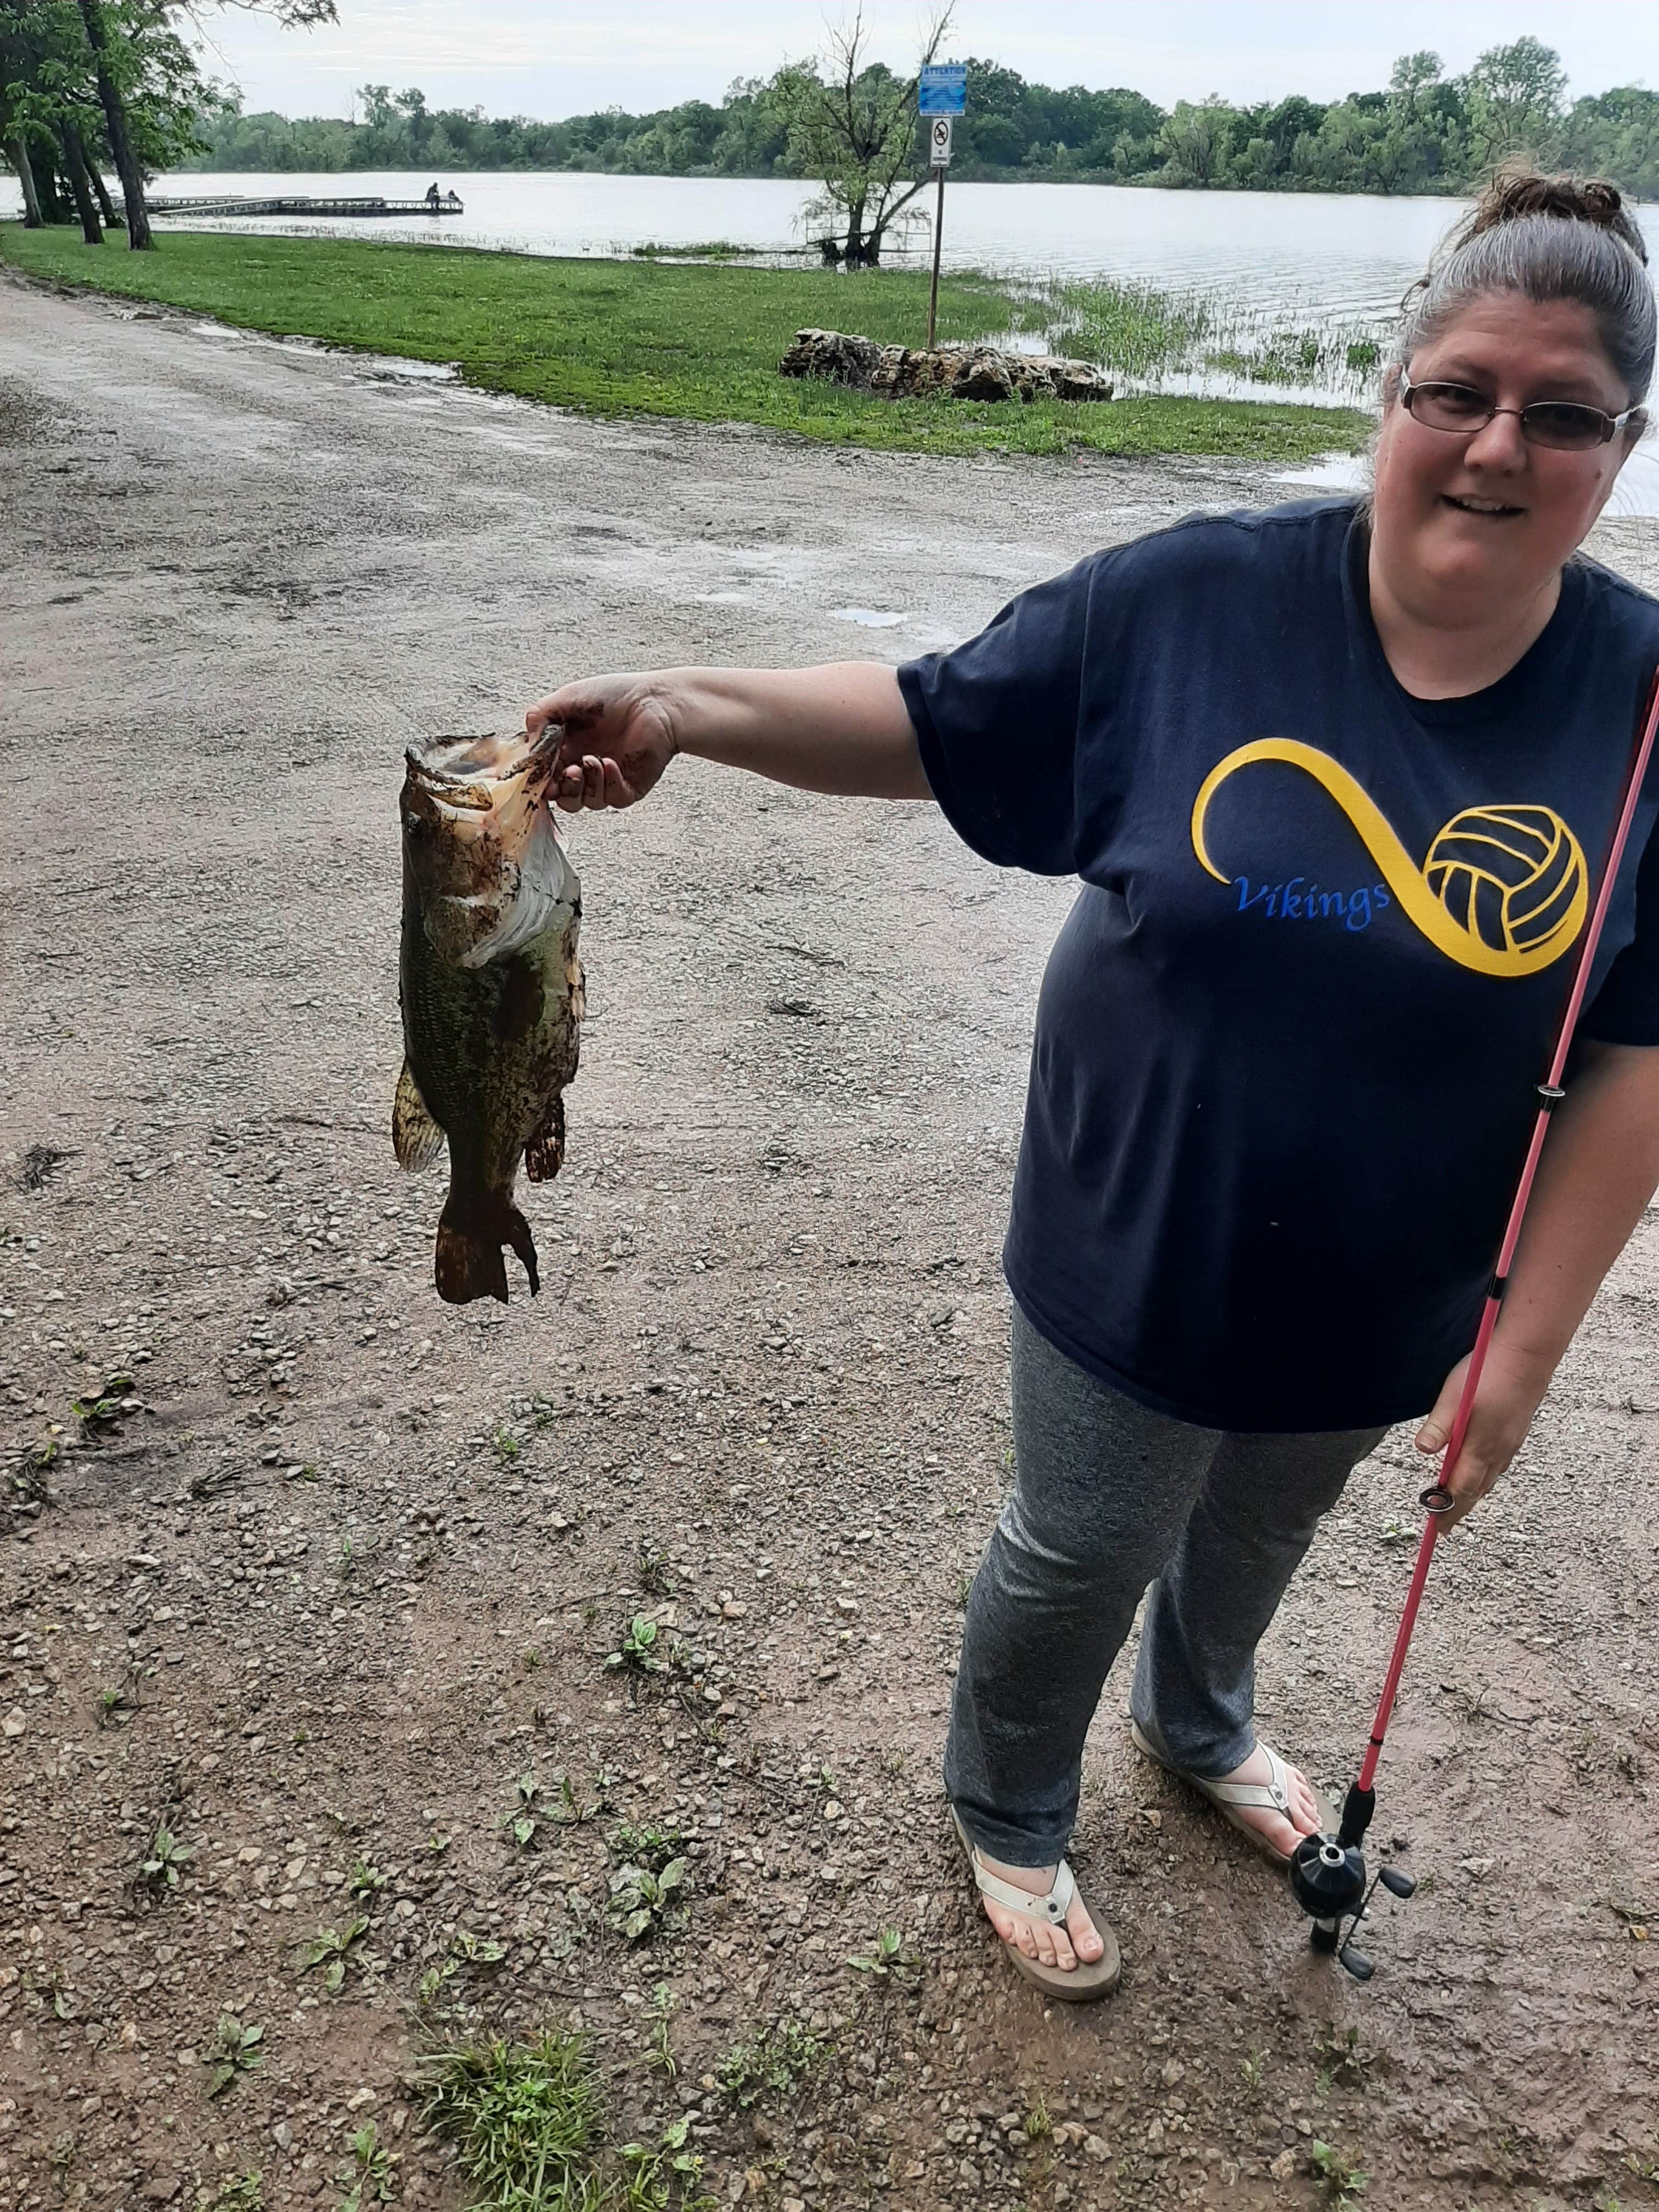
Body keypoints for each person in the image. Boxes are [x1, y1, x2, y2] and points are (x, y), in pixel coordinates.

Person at [524, 170, 1659, 2000]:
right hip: (1138, 1233)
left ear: (1623, 442)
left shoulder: (1648, 695)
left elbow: (1637, 1042)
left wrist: (1521, 1350)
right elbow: (939, 713)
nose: (1494, 447)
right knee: (1081, 1544)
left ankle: (1203, 1728)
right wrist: (687, 704)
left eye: (1562, 413)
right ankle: (1011, 1799)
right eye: (1453, 391)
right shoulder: (1194, 604)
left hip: (1401, 1273)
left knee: (1265, 1527)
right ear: (1391, 395)